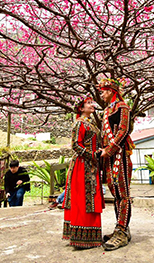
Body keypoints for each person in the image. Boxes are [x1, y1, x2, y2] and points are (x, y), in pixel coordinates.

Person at [62, 95, 104, 249]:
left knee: (90, 198)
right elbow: (75, 146)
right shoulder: (79, 124)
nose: (92, 105)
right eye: (88, 103)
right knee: (82, 200)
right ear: (81, 108)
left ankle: (89, 236)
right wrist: (93, 155)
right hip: (82, 166)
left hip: (90, 165)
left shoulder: (90, 123)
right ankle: (81, 237)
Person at [98, 78, 134, 251]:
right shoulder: (107, 110)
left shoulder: (123, 108)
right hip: (109, 156)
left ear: (111, 91)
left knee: (123, 193)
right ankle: (120, 228)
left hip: (120, 154)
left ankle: (122, 230)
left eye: (104, 91)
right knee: (115, 192)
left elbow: (123, 130)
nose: (102, 95)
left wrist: (110, 149)